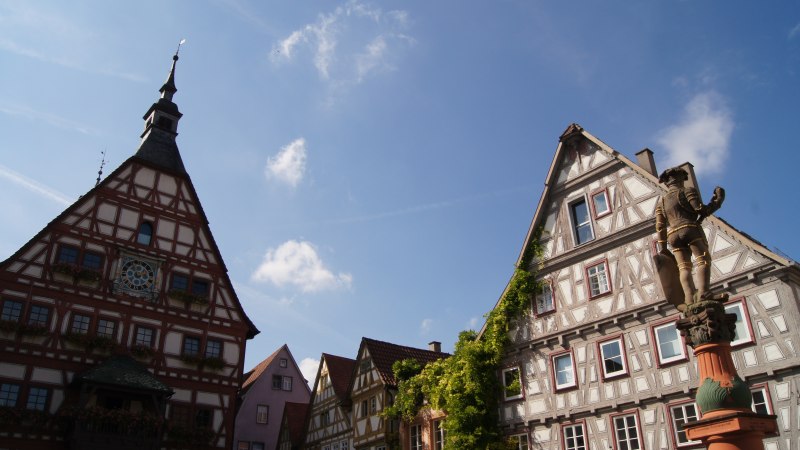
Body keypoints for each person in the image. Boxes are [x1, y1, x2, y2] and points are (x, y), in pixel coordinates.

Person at [654, 167, 725, 310]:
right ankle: (704, 293)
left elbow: (660, 226)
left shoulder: (661, 202)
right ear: (680, 179)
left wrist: (663, 248)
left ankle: (689, 298)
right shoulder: (687, 191)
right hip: (690, 229)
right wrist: (717, 201)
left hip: (673, 235)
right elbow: (701, 210)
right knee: (703, 260)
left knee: (684, 268)